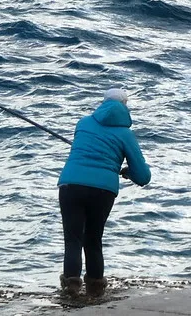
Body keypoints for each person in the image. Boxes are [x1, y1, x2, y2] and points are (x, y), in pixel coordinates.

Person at [57, 88, 152, 297]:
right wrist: (127, 173)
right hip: (103, 191)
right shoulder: (126, 135)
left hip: (71, 184)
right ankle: (95, 289)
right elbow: (143, 176)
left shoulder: (83, 123)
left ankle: (71, 287)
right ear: (124, 107)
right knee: (93, 240)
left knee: (73, 239)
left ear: (103, 104)